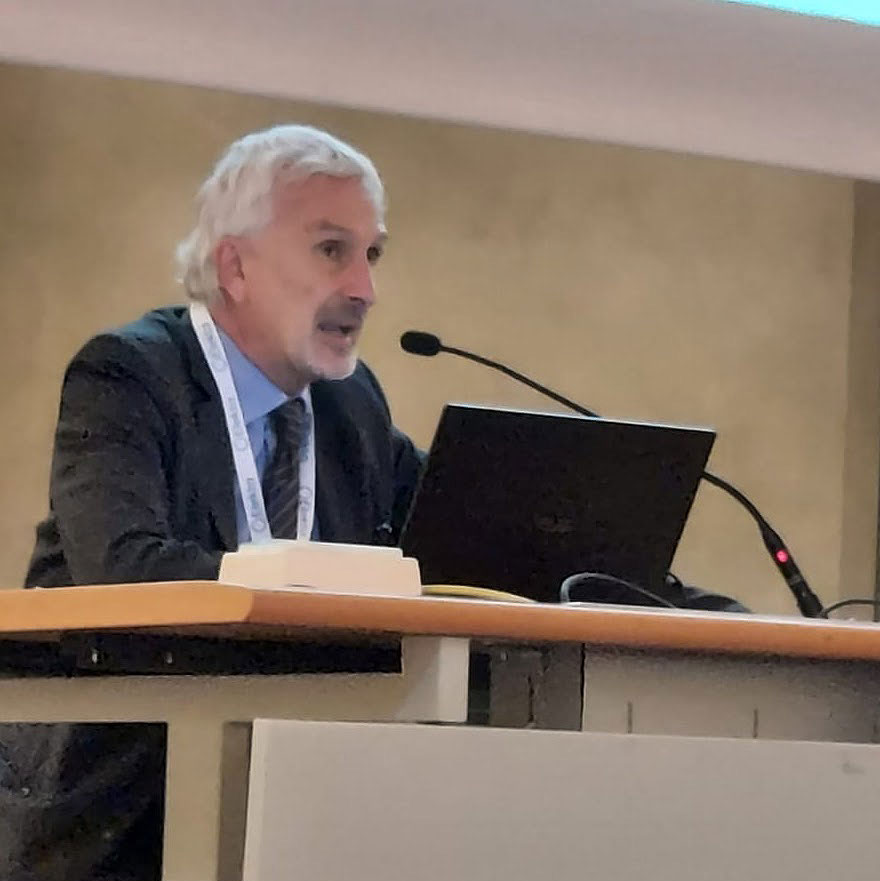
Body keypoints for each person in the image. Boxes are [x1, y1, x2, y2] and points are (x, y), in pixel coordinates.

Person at [4, 124, 423, 881]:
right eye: (332, 249)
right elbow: (124, 570)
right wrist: (296, 582)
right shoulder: (129, 376)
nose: (365, 289)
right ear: (235, 265)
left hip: (299, 801)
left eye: (373, 254)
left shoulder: (351, 404)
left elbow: (464, 539)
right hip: (113, 805)